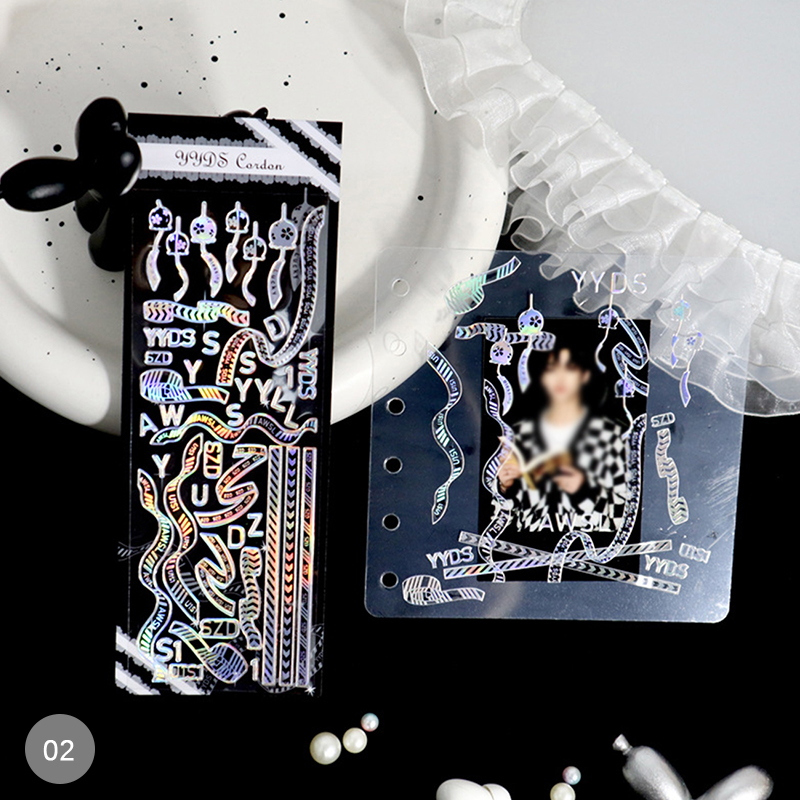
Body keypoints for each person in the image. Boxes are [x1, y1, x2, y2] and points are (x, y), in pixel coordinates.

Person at [497, 342, 629, 540]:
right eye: (552, 368)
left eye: (570, 368)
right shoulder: (517, 435)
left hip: (591, 548)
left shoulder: (613, 436)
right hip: (528, 548)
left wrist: (583, 490)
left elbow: (628, 514)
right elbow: (499, 519)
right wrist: (505, 486)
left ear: (585, 375)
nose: (560, 377)